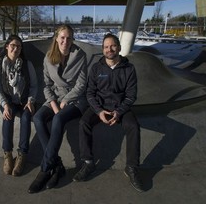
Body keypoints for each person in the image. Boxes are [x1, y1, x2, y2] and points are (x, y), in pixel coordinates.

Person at [72, 34, 144, 192]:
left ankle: (131, 168)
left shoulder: (129, 69)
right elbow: (90, 93)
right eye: (106, 46)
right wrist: (98, 111)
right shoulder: (96, 69)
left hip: (121, 108)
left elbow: (131, 96)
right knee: (84, 123)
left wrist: (119, 112)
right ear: (102, 49)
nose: (109, 49)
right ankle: (88, 163)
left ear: (118, 47)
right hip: (100, 106)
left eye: (112, 46)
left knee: (133, 126)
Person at [28, 24, 88, 193]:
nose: (65, 41)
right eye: (62, 37)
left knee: (59, 118)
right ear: (56, 38)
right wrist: (53, 103)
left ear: (72, 39)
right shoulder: (48, 57)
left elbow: (81, 84)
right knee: (38, 118)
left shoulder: (80, 55)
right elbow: (46, 85)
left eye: (69, 38)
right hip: (55, 97)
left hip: (75, 99)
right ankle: (58, 165)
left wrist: (65, 101)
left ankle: (46, 168)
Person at [0, 34, 38, 176]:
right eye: (13, 45)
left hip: (24, 100)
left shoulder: (27, 64)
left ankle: (22, 155)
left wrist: (30, 100)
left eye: (18, 46)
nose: (16, 48)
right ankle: (7, 154)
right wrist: (5, 105)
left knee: (25, 118)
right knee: (8, 116)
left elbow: (34, 86)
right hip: (8, 101)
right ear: (7, 46)